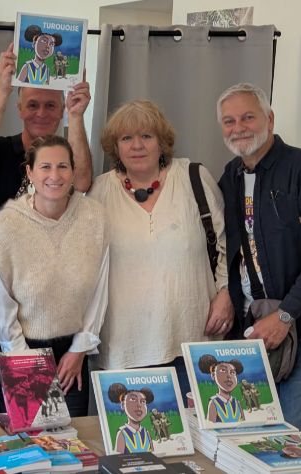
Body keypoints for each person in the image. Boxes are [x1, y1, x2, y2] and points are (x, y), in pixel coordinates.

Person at [216, 83, 301, 439]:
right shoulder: (230, 176)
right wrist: (226, 294)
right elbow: (231, 249)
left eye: (248, 117)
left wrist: (286, 314)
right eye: (229, 121)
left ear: (270, 119)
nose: (239, 128)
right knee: (252, 431)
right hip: (255, 324)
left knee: (295, 435)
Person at [89, 100, 231, 402]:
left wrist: (226, 292)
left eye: (146, 136)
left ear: (161, 142)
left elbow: (227, 244)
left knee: (198, 429)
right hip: (125, 348)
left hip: (194, 341)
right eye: (126, 138)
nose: (137, 145)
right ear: (115, 147)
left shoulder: (194, 177)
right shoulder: (99, 192)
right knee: (135, 429)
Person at [0, 135, 108, 417]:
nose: (55, 175)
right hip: (21, 350)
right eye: (45, 167)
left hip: (72, 354)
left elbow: (98, 291)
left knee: (72, 440)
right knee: (29, 439)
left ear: (73, 171)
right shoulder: (6, 225)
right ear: (30, 172)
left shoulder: (94, 220)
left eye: (62, 166)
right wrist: (26, 363)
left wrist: (79, 350)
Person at [0, 43, 92, 226]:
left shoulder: (67, 157)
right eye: (32, 105)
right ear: (20, 109)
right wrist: (2, 91)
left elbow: (81, 184)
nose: (41, 113)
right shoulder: (2, 150)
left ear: (61, 110)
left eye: (50, 105)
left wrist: (75, 115)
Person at [107, 383, 154, 454]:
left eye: (143, 401)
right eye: (133, 399)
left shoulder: (146, 432)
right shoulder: (122, 433)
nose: (139, 405)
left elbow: (152, 453)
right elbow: (118, 457)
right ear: (123, 405)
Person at [198, 354, 245, 423]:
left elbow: (244, 422)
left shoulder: (237, 402)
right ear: (213, 375)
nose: (229, 376)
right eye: (223, 370)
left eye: (232, 372)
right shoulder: (214, 403)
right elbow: (210, 425)